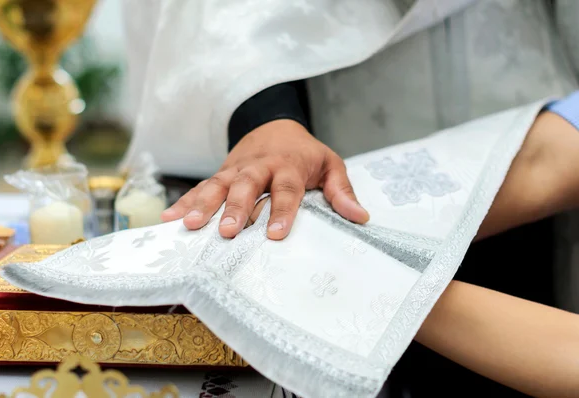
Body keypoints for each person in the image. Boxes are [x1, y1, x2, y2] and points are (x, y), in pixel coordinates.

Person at [119, 0, 579, 396]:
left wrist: (363, 275)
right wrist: (268, 117)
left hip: (519, 161)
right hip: (347, 145)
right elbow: (548, 157)